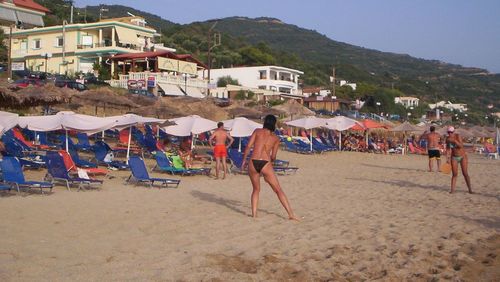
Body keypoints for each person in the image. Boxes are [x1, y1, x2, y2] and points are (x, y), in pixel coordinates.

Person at [241, 115, 299, 220]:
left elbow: (249, 146)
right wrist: (270, 164)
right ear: (273, 124)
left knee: (256, 189)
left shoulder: (257, 131)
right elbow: (273, 156)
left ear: (265, 122)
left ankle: (254, 214)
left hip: (253, 161)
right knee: (278, 190)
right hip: (265, 162)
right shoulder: (275, 138)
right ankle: (291, 214)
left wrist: (244, 160)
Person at [445, 126, 472, 194]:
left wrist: (454, 141)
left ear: (453, 132)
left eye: (451, 132)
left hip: (462, 156)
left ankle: (470, 189)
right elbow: (448, 149)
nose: (450, 134)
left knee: (465, 173)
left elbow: (461, 146)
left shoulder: (458, 136)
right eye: (448, 132)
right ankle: (452, 190)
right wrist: (447, 157)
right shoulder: (447, 139)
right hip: (454, 157)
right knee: (454, 174)